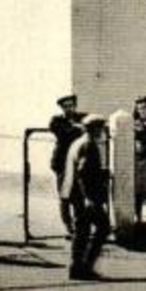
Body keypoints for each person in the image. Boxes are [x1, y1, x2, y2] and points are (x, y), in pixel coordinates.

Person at [62, 114, 112, 280]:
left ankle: (76, 267)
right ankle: (85, 265)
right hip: (86, 196)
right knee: (103, 228)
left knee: (81, 231)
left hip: (75, 194)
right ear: (96, 129)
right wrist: (90, 198)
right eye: (102, 128)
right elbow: (83, 173)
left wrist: (101, 173)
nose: (104, 132)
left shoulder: (78, 142)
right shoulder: (89, 145)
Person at [47, 94, 86, 235]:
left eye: (71, 105)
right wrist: (78, 128)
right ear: (62, 108)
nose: (69, 108)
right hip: (63, 163)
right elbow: (64, 133)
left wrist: (78, 127)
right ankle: (68, 226)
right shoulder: (56, 120)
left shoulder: (82, 118)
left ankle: (79, 225)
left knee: (79, 197)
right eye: (66, 106)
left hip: (78, 163)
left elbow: (95, 124)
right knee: (65, 196)